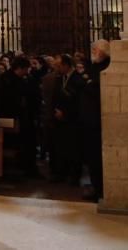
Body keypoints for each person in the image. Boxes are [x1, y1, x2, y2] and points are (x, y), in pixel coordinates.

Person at [78, 39, 111, 201]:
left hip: (99, 119)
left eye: (95, 50)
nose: (93, 53)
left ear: (102, 51)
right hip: (88, 120)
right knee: (92, 157)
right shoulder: (93, 67)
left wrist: (88, 82)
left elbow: (92, 86)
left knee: (99, 157)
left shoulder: (107, 67)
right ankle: (96, 186)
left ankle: (102, 189)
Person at [50, 54, 84, 184]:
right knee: (61, 147)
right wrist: (56, 111)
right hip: (60, 120)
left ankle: (74, 175)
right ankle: (61, 173)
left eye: (59, 66)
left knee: (74, 149)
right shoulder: (59, 78)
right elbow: (55, 96)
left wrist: (65, 113)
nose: (57, 68)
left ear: (66, 65)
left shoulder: (78, 79)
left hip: (72, 120)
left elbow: (78, 101)